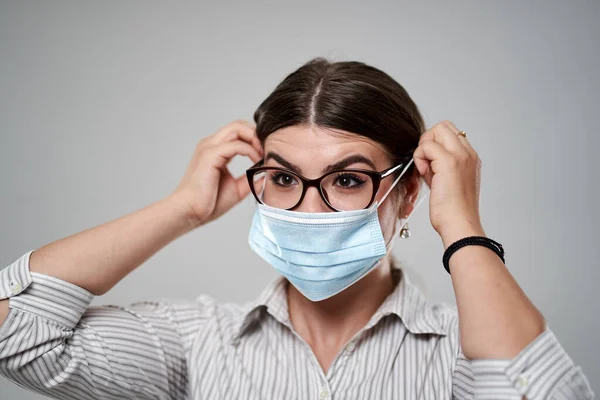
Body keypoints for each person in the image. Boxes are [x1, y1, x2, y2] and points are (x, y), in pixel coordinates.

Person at [0, 58, 593, 400]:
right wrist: (183, 208)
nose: (308, 211)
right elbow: (14, 327)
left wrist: (461, 224)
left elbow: (534, 393)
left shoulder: (460, 350)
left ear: (406, 192)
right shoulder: (197, 342)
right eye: (283, 180)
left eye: (347, 181)